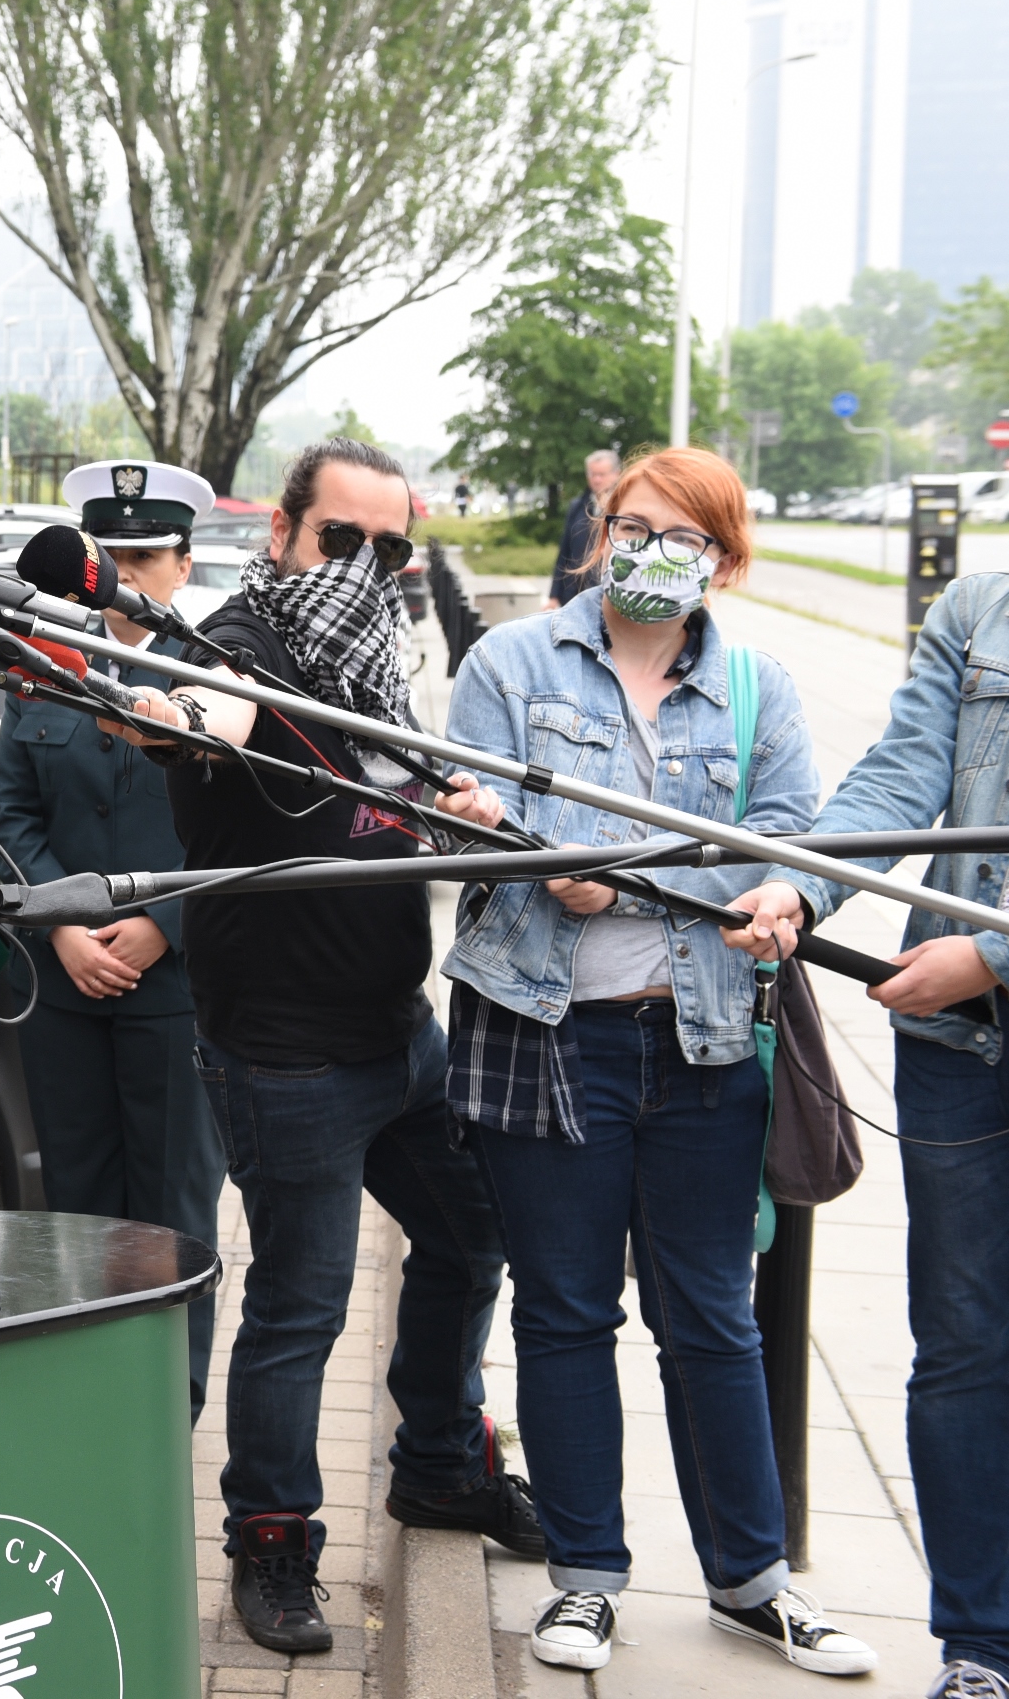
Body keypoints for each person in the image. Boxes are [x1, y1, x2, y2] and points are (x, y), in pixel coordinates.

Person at [445, 447, 875, 1677]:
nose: (646, 549)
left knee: (712, 1321)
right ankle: (584, 1579)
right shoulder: (509, 664)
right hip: (544, 1036)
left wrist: (781, 893)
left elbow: (793, 837)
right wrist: (527, 860)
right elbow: (454, 816)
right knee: (566, 1313)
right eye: (627, 524)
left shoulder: (755, 688)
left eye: (678, 537)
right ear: (595, 530)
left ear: (723, 560)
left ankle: (750, 1581)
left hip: (700, 1042)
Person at [110, 437, 542, 1654]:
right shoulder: (239, 647)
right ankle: (270, 1541)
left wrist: (455, 813)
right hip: (283, 1061)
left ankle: (440, 1461)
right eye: (338, 539)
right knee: (300, 1307)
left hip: (399, 1038)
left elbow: (391, 802)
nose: (362, 567)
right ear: (283, 536)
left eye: (389, 547)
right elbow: (201, 711)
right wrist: (164, 711)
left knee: (471, 1237)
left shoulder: (374, 673)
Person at [726, 569, 1009, 1699]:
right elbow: (899, 774)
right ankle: (981, 1647)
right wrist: (800, 889)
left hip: (966, 978)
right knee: (961, 1346)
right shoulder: (980, 602)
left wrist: (990, 953)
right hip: (958, 1051)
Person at [0, 458, 225, 1420]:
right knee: (77, 1202)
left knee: (173, 1201)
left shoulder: (218, 672)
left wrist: (164, 927)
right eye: (108, 554)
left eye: (144, 554)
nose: (125, 572)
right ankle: (85, 1397)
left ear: (182, 563)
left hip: (177, 988)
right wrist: (71, 926)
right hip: (66, 981)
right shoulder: (45, 660)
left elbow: (239, 827)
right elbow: (10, 811)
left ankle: (173, 1400)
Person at [550, 449, 621, 606]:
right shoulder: (577, 506)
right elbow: (564, 552)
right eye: (592, 474)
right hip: (574, 594)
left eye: (601, 474)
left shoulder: (624, 508)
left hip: (607, 595)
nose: (596, 480)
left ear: (616, 474)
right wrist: (554, 595)